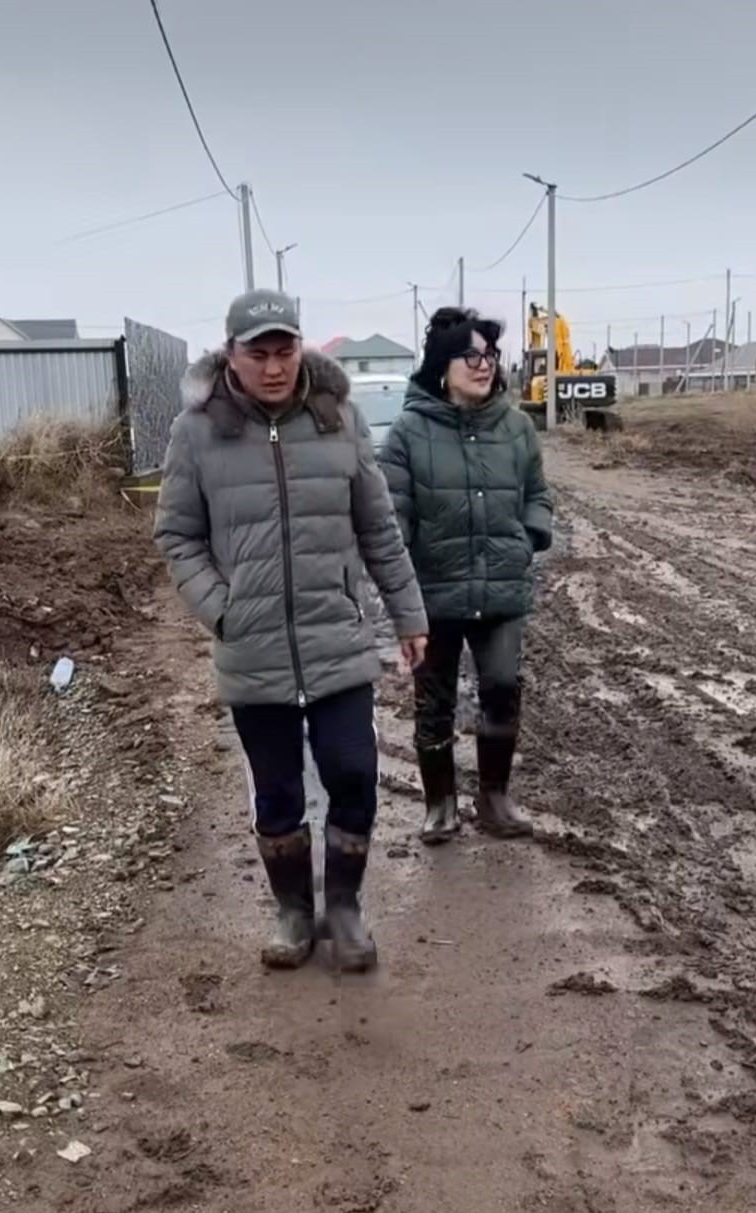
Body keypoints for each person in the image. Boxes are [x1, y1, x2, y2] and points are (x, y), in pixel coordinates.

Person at [154, 289, 428, 972]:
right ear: (231, 355)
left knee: (354, 773)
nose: (274, 367)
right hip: (253, 649)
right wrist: (224, 610)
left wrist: (408, 614)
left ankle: (344, 908)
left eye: (285, 351)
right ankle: (293, 912)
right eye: (259, 354)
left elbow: (378, 528)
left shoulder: (339, 420)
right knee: (276, 791)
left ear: (300, 349)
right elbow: (178, 535)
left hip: (338, 638)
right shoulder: (196, 432)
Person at [379, 308, 552, 845]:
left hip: (501, 586)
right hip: (434, 590)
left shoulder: (517, 428)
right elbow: (392, 515)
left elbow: (538, 495)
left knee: (501, 686)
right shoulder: (408, 433)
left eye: (490, 355)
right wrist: (400, 579)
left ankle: (494, 799)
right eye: (471, 355)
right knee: (435, 700)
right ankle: (441, 804)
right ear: (442, 365)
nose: (484, 365)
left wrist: (527, 539)